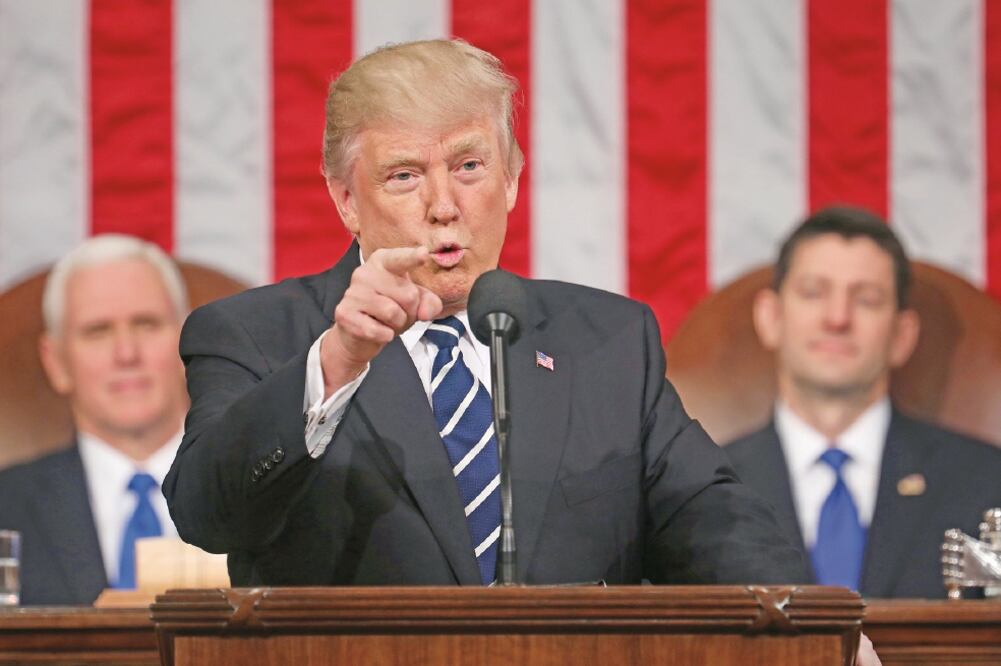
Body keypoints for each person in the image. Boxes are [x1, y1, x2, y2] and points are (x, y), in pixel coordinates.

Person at [163, 39, 805, 589]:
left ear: (512, 180)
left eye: (469, 166)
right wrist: (336, 362)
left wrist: (820, 633)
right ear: (346, 200)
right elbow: (206, 515)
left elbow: (714, 521)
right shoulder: (256, 336)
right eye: (404, 176)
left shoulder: (609, 341)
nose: (444, 205)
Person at [725, 206, 1001, 598]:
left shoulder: (986, 483)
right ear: (771, 317)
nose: (837, 318)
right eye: (813, 293)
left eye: (867, 299)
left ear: (902, 335)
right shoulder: (704, 490)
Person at [0, 234, 190, 605]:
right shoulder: (5, 507)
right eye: (97, 331)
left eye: (147, 324)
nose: (126, 353)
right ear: (56, 361)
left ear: (188, 341)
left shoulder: (268, 495)